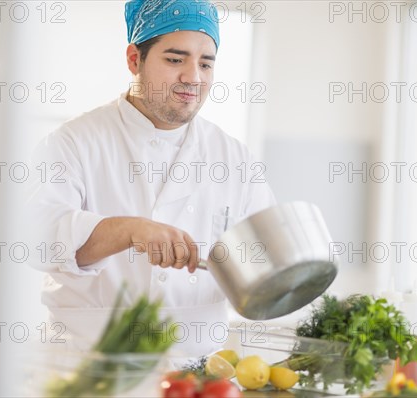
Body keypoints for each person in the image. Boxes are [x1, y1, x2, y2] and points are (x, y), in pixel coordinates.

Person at [28, 0, 275, 356]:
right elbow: (38, 236)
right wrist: (130, 230)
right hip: (88, 367)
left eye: (206, 63)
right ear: (134, 60)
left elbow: (264, 258)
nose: (193, 77)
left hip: (197, 373)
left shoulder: (234, 157)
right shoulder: (75, 141)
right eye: (175, 60)